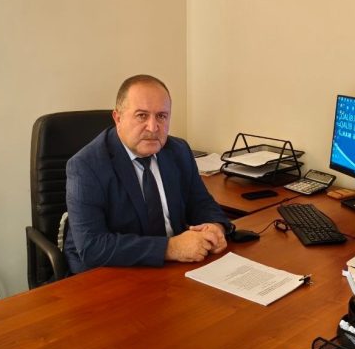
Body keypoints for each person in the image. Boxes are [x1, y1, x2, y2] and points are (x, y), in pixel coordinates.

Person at [63, 74, 230, 274]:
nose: (153, 127)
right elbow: (92, 247)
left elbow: (201, 203)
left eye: (161, 116)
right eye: (142, 115)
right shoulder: (86, 166)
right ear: (118, 118)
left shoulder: (178, 151)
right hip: (112, 273)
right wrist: (170, 248)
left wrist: (215, 227)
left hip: (174, 268)